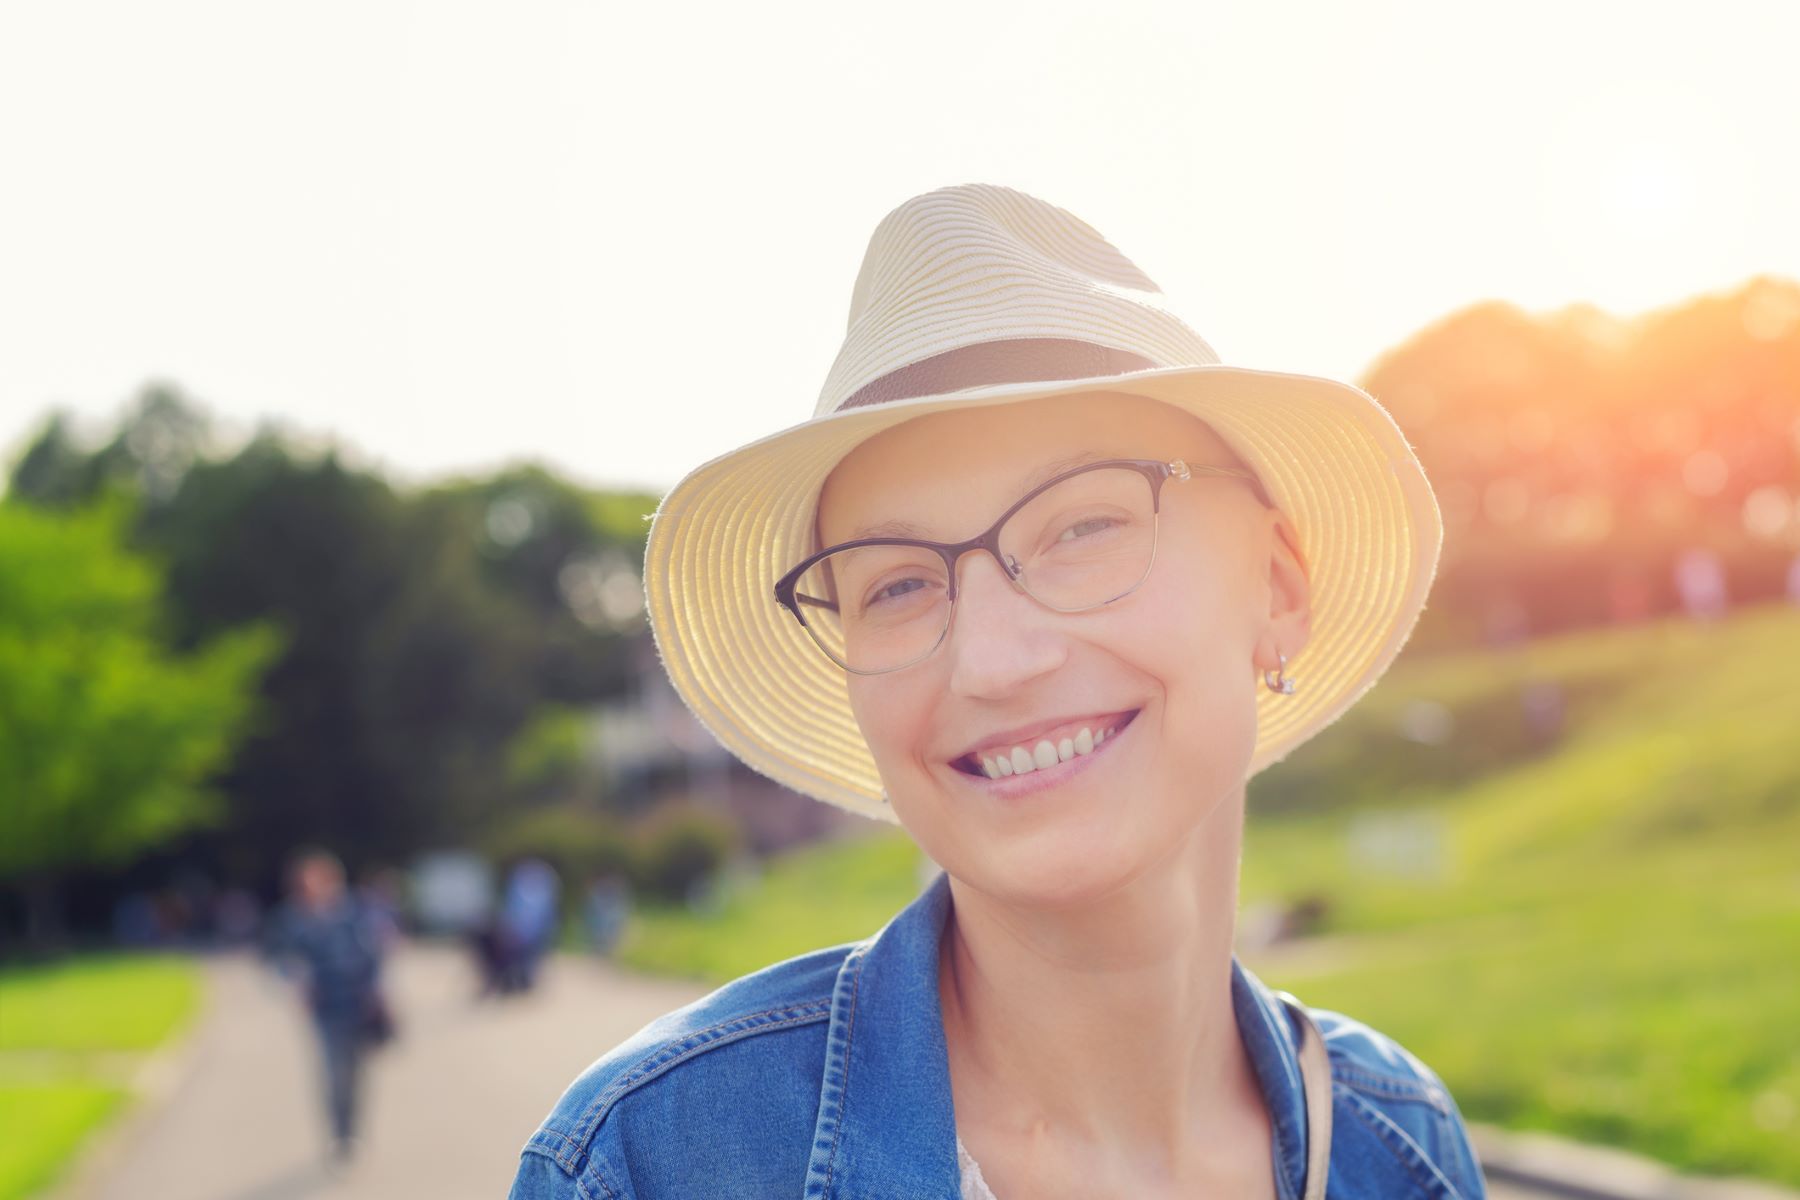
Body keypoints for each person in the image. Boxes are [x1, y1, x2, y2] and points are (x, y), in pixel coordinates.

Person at [510, 183, 1486, 1198]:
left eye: (1081, 527)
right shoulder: (656, 1166)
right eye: (895, 584)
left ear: (1278, 588)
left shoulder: (1399, 1151)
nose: (990, 660)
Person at [263, 846, 390, 1165]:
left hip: (357, 1004)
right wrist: (294, 979)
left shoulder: (354, 913)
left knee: (357, 1073)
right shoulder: (292, 919)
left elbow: (374, 954)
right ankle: (340, 1135)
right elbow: (277, 958)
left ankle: (353, 1129)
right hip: (325, 1007)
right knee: (334, 1072)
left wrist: (375, 990)